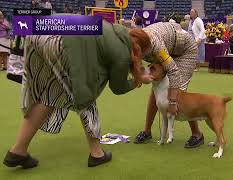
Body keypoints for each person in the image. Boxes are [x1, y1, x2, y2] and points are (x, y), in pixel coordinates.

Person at [3, 21, 153, 169]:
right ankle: (96, 153)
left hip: (37, 32)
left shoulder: (114, 30)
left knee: (49, 95)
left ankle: (18, 151)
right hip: (61, 43)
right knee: (86, 95)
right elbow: (118, 88)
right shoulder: (122, 52)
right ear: (139, 48)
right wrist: (139, 81)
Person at [134, 22, 204, 148]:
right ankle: (147, 131)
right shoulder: (133, 42)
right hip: (169, 48)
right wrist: (138, 76)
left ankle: (197, 134)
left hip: (185, 51)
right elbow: (134, 63)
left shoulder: (155, 45)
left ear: (144, 47)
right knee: (156, 89)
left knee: (179, 95)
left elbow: (173, 70)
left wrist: (172, 102)